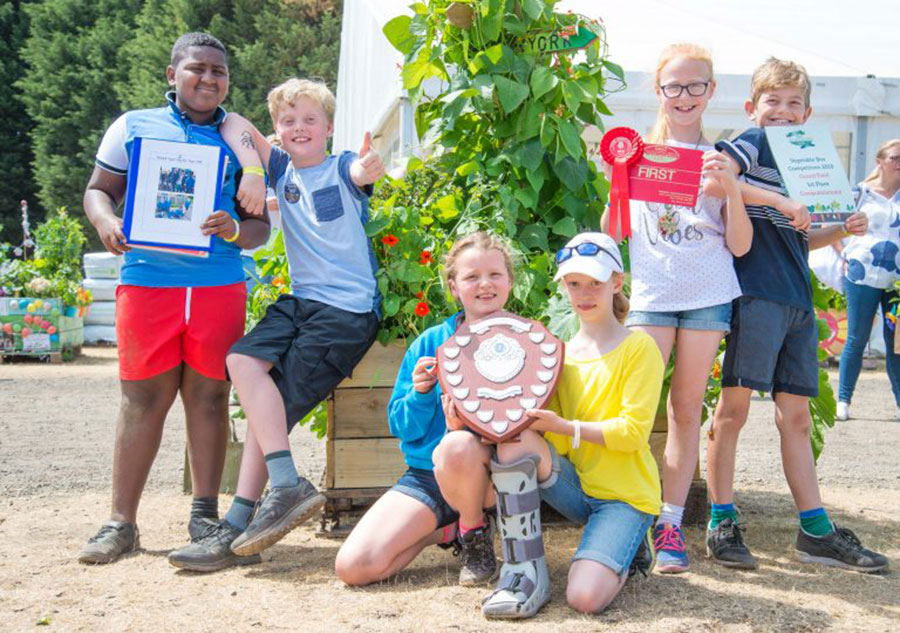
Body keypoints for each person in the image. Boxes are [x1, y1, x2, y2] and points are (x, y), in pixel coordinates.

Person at [167, 78, 385, 571]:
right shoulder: (279, 166)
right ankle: (283, 485)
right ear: (278, 131)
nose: (299, 128)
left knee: (277, 411)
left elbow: (361, 170)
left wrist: (367, 166)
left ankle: (237, 526)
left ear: (329, 128)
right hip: (303, 300)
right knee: (241, 360)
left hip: (345, 312)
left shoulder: (342, 168)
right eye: (288, 121)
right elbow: (233, 121)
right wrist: (250, 168)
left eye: (310, 120)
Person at [79, 32, 271, 564]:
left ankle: (205, 515)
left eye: (219, 72)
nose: (209, 79)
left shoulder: (241, 141)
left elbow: (259, 228)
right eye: (197, 68)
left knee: (209, 399)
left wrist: (234, 228)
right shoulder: (132, 126)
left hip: (218, 286)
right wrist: (105, 221)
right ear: (172, 75)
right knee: (142, 400)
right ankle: (121, 523)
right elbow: (98, 189)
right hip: (147, 282)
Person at [706, 57, 888, 572]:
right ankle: (721, 518)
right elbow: (717, 179)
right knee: (733, 412)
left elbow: (798, 238)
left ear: (806, 113)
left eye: (793, 103)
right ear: (753, 106)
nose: (782, 111)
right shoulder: (753, 142)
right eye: (773, 101)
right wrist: (779, 201)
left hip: (795, 299)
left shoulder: (802, 161)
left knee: (796, 417)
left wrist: (841, 232)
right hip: (755, 294)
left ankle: (815, 530)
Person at [601, 43, 752, 573]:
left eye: (695, 86)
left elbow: (739, 246)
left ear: (710, 91)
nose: (683, 96)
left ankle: (668, 523)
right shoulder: (635, 153)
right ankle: (627, 515)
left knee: (686, 409)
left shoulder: (723, 159)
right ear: (659, 92)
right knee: (635, 412)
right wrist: (619, 184)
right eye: (673, 86)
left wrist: (730, 190)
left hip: (708, 296)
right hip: (651, 298)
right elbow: (613, 232)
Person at [484, 232, 664, 616]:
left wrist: (564, 426)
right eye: (574, 283)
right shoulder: (559, 354)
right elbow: (559, 447)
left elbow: (632, 434)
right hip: (579, 489)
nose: (584, 293)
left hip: (624, 496)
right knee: (517, 441)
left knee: (583, 598)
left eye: (595, 283)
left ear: (617, 282)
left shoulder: (639, 347)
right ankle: (523, 569)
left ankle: (632, 544)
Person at [334, 232, 512, 588]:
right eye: (471, 276)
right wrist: (419, 395)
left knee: (463, 448)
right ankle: (448, 530)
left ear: (509, 281)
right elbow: (402, 427)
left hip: (493, 476)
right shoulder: (430, 343)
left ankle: (475, 529)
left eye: (494, 274)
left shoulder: (526, 339)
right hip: (428, 478)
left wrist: (472, 431)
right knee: (354, 567)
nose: (485, 284)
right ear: (453, 286)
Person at [837, 139, 900, 422]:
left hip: (896, 281)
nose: (899, 164)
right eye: (895, 158)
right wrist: (844, 255)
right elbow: (834, 224)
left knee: (896, 341)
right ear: (880, 160)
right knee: (857, 337)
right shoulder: (859, 193)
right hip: (861, 275)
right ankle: (843, 400)